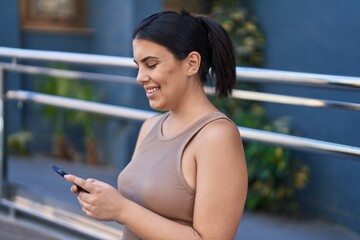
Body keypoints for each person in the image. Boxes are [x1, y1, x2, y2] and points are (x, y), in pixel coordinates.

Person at [65, 10, 248, 240]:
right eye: (138, 66)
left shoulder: (216, 136)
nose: (140, 77)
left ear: (191, 63)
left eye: (151, 64)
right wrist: (103, 199)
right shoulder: (150, 126)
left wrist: (121, 209)